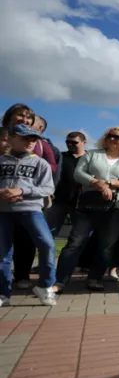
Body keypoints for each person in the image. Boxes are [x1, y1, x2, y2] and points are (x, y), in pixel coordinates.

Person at [54, 127, 119, 293]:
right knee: (75, 241)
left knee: (106, 244)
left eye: (117, 137)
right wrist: (98, 184)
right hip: (88, 204)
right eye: (110, 135)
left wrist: (110, 184)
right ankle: (60, 281)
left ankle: (95, 278)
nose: (112, 139)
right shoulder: (92, 154)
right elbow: (78, 174)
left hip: (116, 206)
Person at [0, 124, 58, 307]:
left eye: (34, 139)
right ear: (11, 138)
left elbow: (48, 188)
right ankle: (3, 293)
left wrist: (22, 190)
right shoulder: (1, 161)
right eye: (25, 138)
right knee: (3, 254)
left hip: (31, 209)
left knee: (47, 244)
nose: (30, 142)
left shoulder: (40, 163)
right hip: (3, 211)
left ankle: (45, 285)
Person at [45, 132, 87, 236]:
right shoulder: (60, 156)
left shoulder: (91, 158)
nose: (70, 144)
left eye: (74, 142)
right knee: (47, 233)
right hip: (58, 200)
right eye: (67, 142)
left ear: (84, 143)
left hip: (81, 202)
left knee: (80, 235)